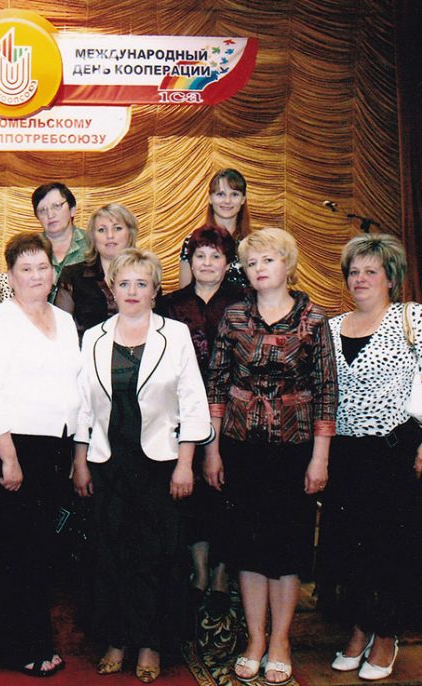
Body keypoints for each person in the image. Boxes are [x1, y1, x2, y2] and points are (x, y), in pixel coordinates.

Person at [316, 233, 422, 681]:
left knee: (392, 549)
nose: (360, 279)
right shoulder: (332, 327)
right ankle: (359, 629)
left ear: (390, 278)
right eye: (353, 272)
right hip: (346, 454)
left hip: (393, 453)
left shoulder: (413, 317)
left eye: (370, 271)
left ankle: (387, 635)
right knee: (351, 548)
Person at [72, 249, 212, 683]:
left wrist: (186, 464)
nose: (132, 291)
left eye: (142, 284)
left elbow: (193, 403)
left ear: (155, 291)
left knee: (155, 556)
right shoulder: (94, 337)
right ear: (112, 290)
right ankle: (116, 638)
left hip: (160, 463)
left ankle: (150, 643)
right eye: (124, 283)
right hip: (108, 462)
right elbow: (82, 405)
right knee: (110, 554)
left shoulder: (176, 335)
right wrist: (79, 459)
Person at [205, 228, 337, 685]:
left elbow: (326, 393)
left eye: (269, 260)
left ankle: (280, 640)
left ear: (288, 264)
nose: (259, 269)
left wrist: (320, 458)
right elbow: (217, 385)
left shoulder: (313, 319)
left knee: (287, 548)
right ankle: (255, 639)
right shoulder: (233, 315)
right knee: (248, 548)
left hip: (294, 449)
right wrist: (212, 450)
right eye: (252, 262)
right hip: (240, 446)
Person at [0, 232, 81, 677]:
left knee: (42, 551)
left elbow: (76, 388)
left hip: (55, 447)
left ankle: (38, 637)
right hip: (14, 447)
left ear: (53, 272)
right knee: (13, 552)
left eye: (42, 267)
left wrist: (75, 451)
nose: (36, 276)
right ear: (11, 276)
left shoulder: (65, 320)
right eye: (26, 269)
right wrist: (9, 458)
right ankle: (14, 646)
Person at [155, 226, 242, 604]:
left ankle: (221, 573)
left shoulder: (243, 304)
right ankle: (200, 570)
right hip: (182, 413)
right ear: (189, 261)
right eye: (200, 256)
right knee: (191, 497)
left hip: (234, 414)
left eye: (215, 256)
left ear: (228, 263)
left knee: (226, 492)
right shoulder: (170, 305)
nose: (207, 263)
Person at [55, 203, 139, 340]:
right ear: (93, 237)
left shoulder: (146, 275)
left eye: (117, 228)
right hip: (84, 352)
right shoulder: (72, 276)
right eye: (102, 230)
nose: (110, 235)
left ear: (130, 233)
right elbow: (60, 332)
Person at [178, 169, 251, 290]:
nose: (227, 201)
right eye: (220, 194)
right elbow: (184, 294)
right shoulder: (192, 241)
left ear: (243, 199)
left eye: (234, 194)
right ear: (210, 198)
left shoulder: (252, 244)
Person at [31, 182, 89, 300]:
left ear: (72, 209)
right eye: (42, 210)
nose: (50, 214)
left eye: (56, 206)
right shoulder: (28, 248)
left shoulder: (93, 244)